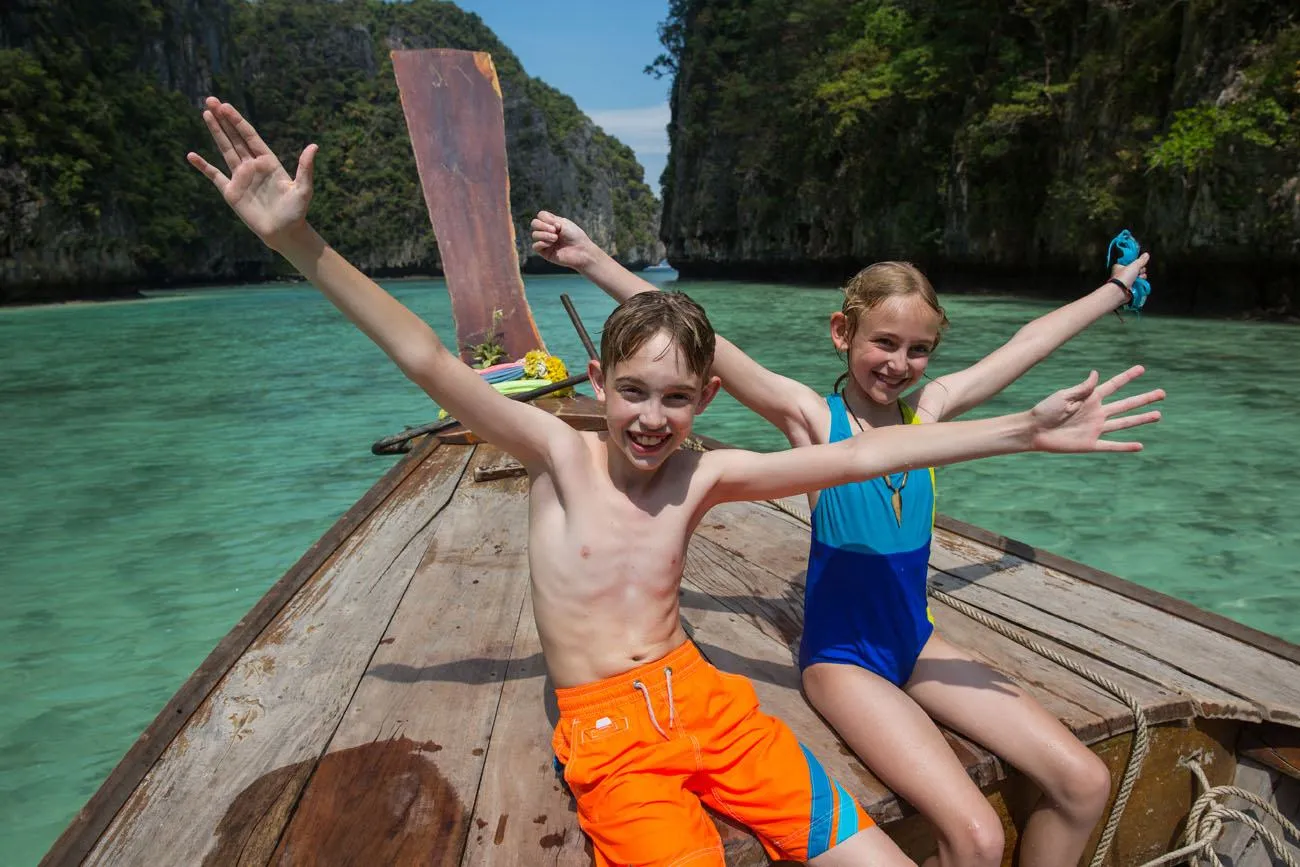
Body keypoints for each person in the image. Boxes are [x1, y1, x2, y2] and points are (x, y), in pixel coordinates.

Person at [186, 98, 1163, 867]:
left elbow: (868, 455)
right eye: (635, 393)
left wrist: (1022, 433)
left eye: (676, 398)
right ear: (601, 387)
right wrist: (294, 243)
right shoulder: (560, 455)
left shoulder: (703, 474)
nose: (652, 418)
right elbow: (429, 361)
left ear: (703, 398)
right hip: (613, 741)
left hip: (707, 702)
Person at [531, 211, 1155, 867]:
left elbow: (1028, 343)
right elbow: (698, 342)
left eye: (918, 350)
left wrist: (1113, 289)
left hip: (914, 638)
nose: (899, 363)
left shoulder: (930, 415)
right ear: (842, 333)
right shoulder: (811, 418)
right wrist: (591, 259)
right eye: (884, 342)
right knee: (977, 838)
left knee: (1085, 781)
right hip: (844, 661)